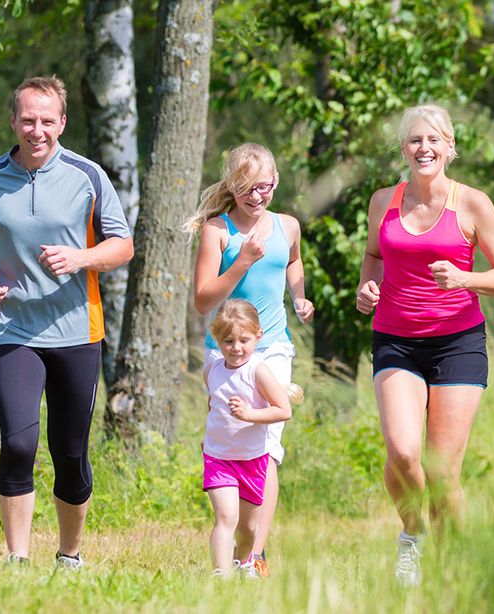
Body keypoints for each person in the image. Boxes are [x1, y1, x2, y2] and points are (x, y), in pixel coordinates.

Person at [0, 75, 134, 568]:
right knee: (18, 443)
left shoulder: (87, 175)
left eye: (47, 121)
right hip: (12, 330)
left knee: (69, 452)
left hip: (77, 331)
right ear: (13, 121)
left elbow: (122, 245)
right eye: (28, 120)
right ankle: (17, 561)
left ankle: (69, 556)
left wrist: (81, 258)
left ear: (62, 123)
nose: (37, 130)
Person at [355, 104, 494, 587]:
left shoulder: (472, 203)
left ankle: (454, 574)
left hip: (457, 345)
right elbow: (372, 255)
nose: (423, 148)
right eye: (414, 141)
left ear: (450, 147)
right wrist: (369, 286)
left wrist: (465, 278)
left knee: (442, 471)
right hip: (395, 341)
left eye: (433, 140)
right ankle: (413, 536)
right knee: (403, 452)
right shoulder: (383, 200)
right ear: (403, 148)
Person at [183, 142, 314, 577]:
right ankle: (233, 527)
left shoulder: (288, 226)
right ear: (231, 187)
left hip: (272, 345)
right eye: (245, 189)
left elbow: (292, 263)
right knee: (231, 432)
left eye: (264, 187)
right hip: (224, 349)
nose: (256, 197)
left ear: (275, 181)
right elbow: (204, 301)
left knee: (269, 446)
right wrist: (241, 261)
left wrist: (298, 297)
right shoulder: (217, 231)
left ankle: (253, 555)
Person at [201, 300, 293, 578]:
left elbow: (284, 410)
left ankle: (245, 564)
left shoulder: (258, 370)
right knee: (226, 518)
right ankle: (221, 574)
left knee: (248, 528)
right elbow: (213, 405)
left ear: (258, 337)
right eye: (228, 341)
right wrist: (208, 436)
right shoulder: (212, 370)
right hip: (219, 459)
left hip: (253, 460)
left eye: (244, 340)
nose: (237, 348)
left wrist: (250, 414)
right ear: (218, 340)